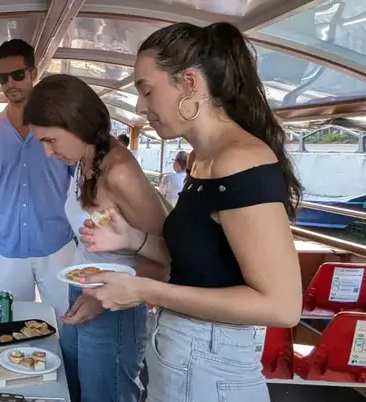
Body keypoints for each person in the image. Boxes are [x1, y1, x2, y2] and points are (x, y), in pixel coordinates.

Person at [78, 22, 302, 402]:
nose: (140, 106)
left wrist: (145, 289)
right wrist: (135, 240)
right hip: (185, 351)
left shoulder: (239, 161)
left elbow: (282, 306)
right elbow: (203, 266)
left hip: (212, 365)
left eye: (147, 90)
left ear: (190, 83)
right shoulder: (203, 160)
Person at [24, 74, 168, 402]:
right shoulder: (86, 160)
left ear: (75, 122)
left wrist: (98, 299)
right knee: (73, 390)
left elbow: (165, 255)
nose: (47, 153)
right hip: (85, 289)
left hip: (115, 305)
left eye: (50, 140)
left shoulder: (118, 172)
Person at [0, 39, 75, 318]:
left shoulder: (61, 126)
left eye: (17, 75)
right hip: (4, 248)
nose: (10, 83)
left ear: (33, 73)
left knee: (69, 322)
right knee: (7, 326)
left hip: (57, 245)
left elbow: (83, 186)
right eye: (2, 77)